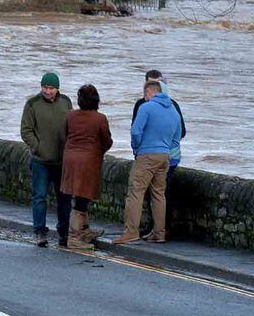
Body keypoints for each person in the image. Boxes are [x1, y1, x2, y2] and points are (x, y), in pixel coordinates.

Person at [117, 79, 182, 243]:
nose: (144, 97)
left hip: (146, 155)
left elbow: (135, 131)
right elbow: (177, 138)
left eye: (145, 94)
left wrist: (137, 148)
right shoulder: (173, 111)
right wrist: (166, 147)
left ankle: (131, 231)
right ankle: (159, 233)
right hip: (165, 156)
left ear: (150, 92)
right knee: (159, 194)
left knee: (135, 192)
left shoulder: (146, 107)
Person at [131, 69, 187, 236]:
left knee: (157, 192)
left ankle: (158, 229)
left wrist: (162, 145)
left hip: (165, 156)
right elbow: (135, 129)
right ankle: (157, 229)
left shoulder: (172, 105)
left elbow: (181, 131)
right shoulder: (141, 104)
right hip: (155, 154)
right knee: (155, 192)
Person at [21, 72, 73, 247]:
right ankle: (40, 232)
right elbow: (26, 130)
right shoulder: (32, 104)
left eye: (51, 88)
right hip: (40, 161)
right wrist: (37, 147)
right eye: (45, 87)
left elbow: (71, 127)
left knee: (64, 199)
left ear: (57, 88)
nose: (47, 91)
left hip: (62, 161)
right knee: (39, 197)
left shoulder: (66, 102)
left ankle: (63, 233)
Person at [59, 84, 113, 250]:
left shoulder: (71, 115)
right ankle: (75, 238)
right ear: (96, 100)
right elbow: (107, 141)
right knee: (82, 200)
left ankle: (85, 231)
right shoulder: (100, 118)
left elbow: (64, 135)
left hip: (70, 159)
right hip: (88, 161)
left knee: (79, 196)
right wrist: (97, 151)